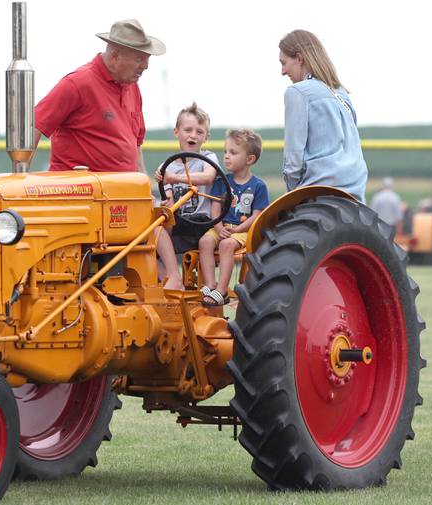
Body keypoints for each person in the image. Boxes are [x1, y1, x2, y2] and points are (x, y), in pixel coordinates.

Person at [32, 19, 185, 289]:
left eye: (147, 58)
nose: (146, 66)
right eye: (140, 58)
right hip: (86, 202)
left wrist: (144, 188)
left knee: (162, 224)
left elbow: (134, 142)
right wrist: (21, 177)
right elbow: (34, 125)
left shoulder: (132, 87)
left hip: (121, 200)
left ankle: (170, 284)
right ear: (115, 55)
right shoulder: (77, 83)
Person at [279, 30, 368, 202]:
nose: (283, 71)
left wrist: (291, 194)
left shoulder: (297, 92)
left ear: (299, 58)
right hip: (355, 195)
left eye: (284, 63)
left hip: (317, 192)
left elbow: (293, 157)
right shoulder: (343, 95)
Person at [199, 129, 269, 306]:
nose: (226, 156)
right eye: (225, 152)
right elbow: (215, 209)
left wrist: (237, 230)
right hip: (222, 227)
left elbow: (257, 215)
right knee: (205, 242)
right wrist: (219, 228)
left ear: (249, 159)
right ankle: (209, 284)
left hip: (242, 231)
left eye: (233, 152)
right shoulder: (222, 181)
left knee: (226, 245)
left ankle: (222, 290)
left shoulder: (259, 186)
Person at [154, 102, 217, 253]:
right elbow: (168, 198)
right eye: (188, 130)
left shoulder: (208, 158)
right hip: (180, 223)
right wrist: (167, 201)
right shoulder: (167, 167)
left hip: (203, 222)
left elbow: (208, 177)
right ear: (176, 132)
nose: (193, 135)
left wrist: (174, 178)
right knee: (153, 241)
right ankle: (170, 274)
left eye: (199, 132)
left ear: (206, 137)